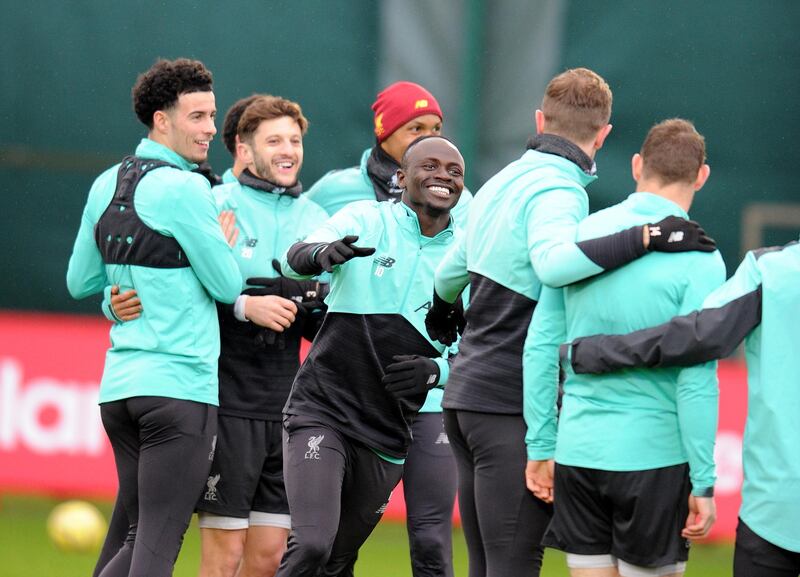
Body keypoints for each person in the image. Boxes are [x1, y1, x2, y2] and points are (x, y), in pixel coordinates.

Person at [426, 68, 716, 577]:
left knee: (486, 565)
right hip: (507, 403)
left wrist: (443, 304)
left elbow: (448, 270)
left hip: (466, 398)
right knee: (514, 564)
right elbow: (556, 267)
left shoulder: (500, 182)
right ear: (603, 135)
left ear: (540, 120)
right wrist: (645, 237)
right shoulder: (561, 192)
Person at [524, 119, 723, 577]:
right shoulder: (701, 257)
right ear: (701, 176)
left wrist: (540, 444)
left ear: (636, 166)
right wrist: (705, 480)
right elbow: (696, 378)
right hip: (655, 459)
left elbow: (540, 347)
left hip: (578, 454)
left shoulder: (583, 234)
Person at [66, 58, 241, 577]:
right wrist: (224, 246)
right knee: (157, 546)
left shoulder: (105, 184)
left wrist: (111, 301)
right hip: (179, 391)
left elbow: (82, 282)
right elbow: (228, 286)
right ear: (161, 120)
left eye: (212, 115)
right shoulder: (187, 188)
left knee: (139, 536)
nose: (211, 128)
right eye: (198, 116)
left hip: (120, 391)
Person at [275, 135, 465, 577]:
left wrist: (437, 370)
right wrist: (322, 254)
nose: (443, 176)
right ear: (400, 178)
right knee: (312, 545)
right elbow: (292, 261)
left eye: (454, 171)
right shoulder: (365, 218)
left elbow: (479, 354)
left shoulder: (468, 254)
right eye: (430, 166)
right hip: (323, 409)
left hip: (388, 432)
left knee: (338, 561)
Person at [562, 245, 800, 577]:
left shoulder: (771, 269)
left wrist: (598, 352)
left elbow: (696, 336)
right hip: (773, 512)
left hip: (774, 511)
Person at [220, 94, 261, 184]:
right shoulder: (210, 196)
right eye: (273, 141)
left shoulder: (296, 197)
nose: (286, 150)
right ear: (243, 148)